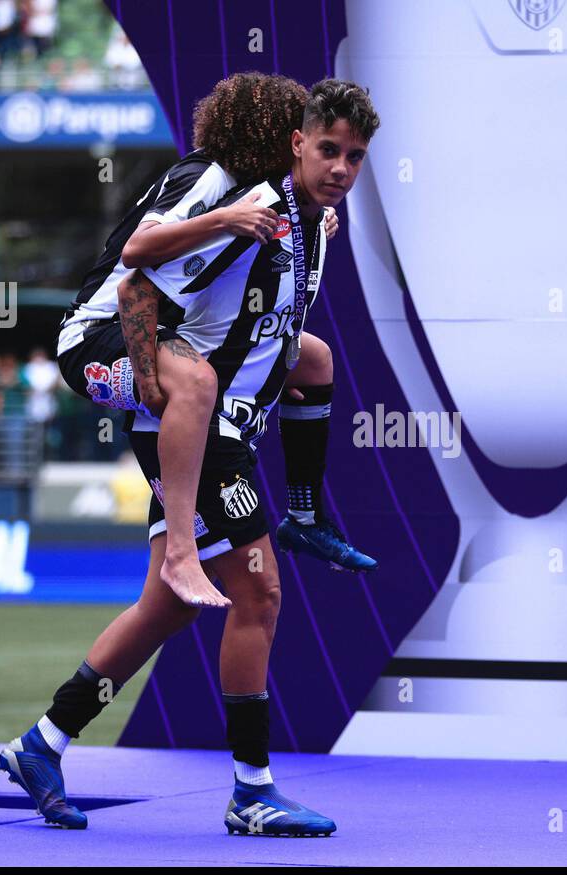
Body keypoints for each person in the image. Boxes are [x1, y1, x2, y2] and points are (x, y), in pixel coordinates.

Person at [2, 78, 380, 836]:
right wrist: (162, 385)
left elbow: (281, 343)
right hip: (170, 401)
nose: (338, 165)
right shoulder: (245, 207)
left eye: (355, 156)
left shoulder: (306, 223)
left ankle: (41, 742)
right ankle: (251, 790)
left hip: (209, 427)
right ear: (291, 144)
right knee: (259, 593)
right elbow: (138, 286)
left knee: (165, 609)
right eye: (323, 147)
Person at [55, 72, 374, 610]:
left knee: (313, 357)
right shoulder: (211, 176)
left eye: (350, 155)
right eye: (303, 139)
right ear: (279, 137)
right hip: (96, 334)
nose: (322, 162)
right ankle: (183, 551)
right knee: (197, 384)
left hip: (158, 328)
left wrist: (313, 227)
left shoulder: (272, 201)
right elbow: (137, 260)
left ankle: (304, 515)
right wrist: (159, 383)